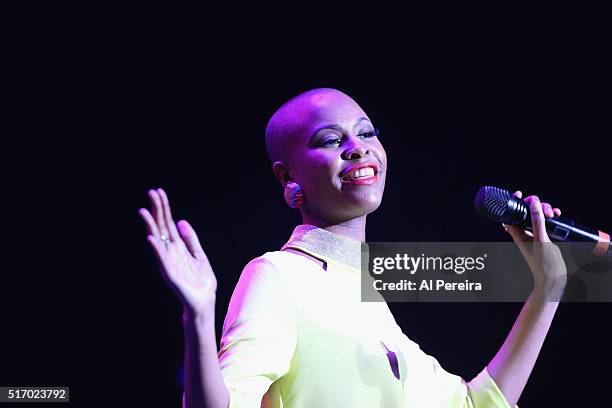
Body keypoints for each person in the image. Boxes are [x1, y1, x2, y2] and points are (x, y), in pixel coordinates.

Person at [138, 88, 567, 408]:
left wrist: (549, 286)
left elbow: (478, 405)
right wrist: (197, 316)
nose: (357, 147)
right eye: (330, 140)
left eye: (366, 133)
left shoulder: (368, 298)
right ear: (289, 179)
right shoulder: (280, 277)